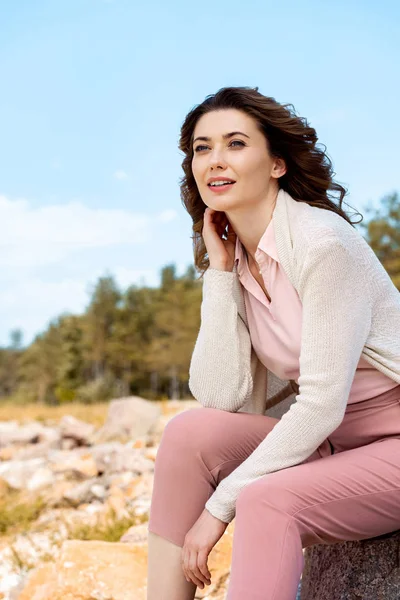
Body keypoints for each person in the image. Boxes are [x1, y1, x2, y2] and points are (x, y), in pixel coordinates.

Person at [146, 86, 400, 600]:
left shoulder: (322, 245)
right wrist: (219, 272)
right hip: (335, 444)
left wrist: (219, 511)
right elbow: (223, 399)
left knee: (266, 499)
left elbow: (321, 404)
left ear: (278, 164)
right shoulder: (240, 258)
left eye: (235, 143)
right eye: (201, 147)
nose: (214, 160)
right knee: (187, 435)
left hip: (389, 444)